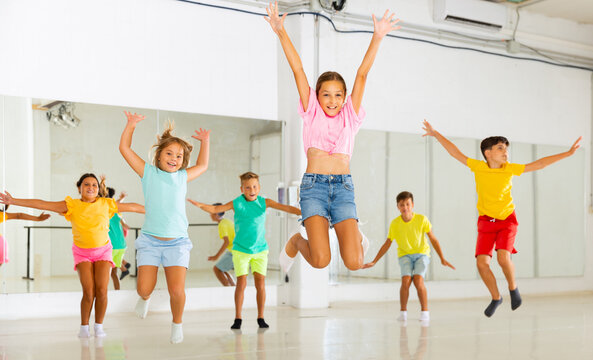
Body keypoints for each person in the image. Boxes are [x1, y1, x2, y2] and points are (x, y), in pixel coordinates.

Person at [265, 2, 401, 272]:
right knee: (321, 261)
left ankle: (355, 233)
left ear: (344, 97)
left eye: (338, 94)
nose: (333, 100)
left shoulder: (350, 114)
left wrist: (377, 37)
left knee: (354, 263)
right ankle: (295, 242)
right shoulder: (311, 111)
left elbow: (362, 75)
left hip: (343, 190)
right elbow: (298, 71)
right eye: (326, 94)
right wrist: (281, 31)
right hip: (313, 189)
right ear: (317, 96)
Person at [422, 119, 582, 317]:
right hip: (486, 222)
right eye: (500, 148)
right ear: (487, 153)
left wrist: (567, 153)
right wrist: (436, 133)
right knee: (481, 264)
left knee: (503, 258)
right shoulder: (478, 167)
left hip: (507, 220)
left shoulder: (510, 168)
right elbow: (455, 153)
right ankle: (496, 297)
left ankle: (513, 288)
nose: (505, 151)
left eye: (506, 148)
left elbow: (540, 164)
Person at [0, 174, 144, 337]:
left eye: (94, 185)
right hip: (82, 253)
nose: (91, 187)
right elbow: (43, 204)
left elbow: (133, 207)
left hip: (103, 251)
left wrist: (155, 210)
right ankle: (83, 328)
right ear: (79, 188)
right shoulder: (71, 205)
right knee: (89, 292)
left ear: (98, 189)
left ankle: (98, 326)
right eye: (86, 184)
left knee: (102, 291)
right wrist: (14, 201)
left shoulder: (107, 204)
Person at [119, 111, 210, 343]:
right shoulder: (148, 173)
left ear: (183, 161)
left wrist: (205, 142)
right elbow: (125, 149)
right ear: (158, 156)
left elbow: (203, 164)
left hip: (177, 243)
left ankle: (177, 323)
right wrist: (131, 125)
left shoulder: (182, 177)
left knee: (176, 291)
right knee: (143, 289)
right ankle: (145, 299)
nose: (174, 158)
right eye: (169, 153)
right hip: (150, 241)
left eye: (179, 156)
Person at [188, 171, 301, 330]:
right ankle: (238, 318)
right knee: (241, 283)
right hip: (241, 251)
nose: (252, 190)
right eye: (248, 187)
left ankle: (261, 317)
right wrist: (200, 205)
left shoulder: (264, 202)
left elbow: (286, 208)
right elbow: (216, 209)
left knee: (260, 284)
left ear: (259, 187)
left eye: (254, 186)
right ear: (242, 189)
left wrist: (304, 212)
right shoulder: (237, 203)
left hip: (260, 251)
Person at [363, 191, 455, 322]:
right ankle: (403, 313)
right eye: (402, 205)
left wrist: (442, 258)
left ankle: (425, 312)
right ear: (398, 207)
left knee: (418, 281)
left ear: (412, 205)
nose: (405, 207)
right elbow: (387, 243)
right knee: (405, 281)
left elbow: (434, 240)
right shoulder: (395, 224)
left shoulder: (422, 219)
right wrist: (374, 261)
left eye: (407, 204)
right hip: (405, 255)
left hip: (422, 254)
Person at [106, 187, 131, 290]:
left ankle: (124, 268)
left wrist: (121, 199)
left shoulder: (105, 209)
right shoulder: (118, 212)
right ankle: (118, 291)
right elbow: (125, 225)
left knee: (107, 274)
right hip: (121, 245)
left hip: (112, 246)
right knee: (113, 273)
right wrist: (121, 199)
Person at [208, 203, 236, 286]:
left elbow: (226, 242)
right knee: (222, 269)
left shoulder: (222, 225)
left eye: (211, 213)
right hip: (237, 250)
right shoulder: (227, 221)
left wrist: (216, 256)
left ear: (216, 214)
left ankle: (228, 290)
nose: (210, 215)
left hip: (234, 252)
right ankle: (233, 288)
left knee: (216, 269)